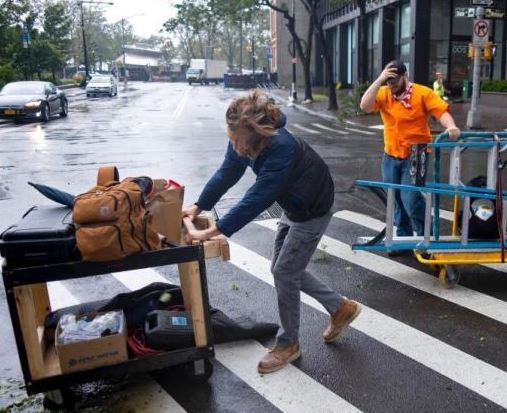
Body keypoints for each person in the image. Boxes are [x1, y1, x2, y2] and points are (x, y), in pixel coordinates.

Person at [183, 90, 362, 374]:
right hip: (294, 206)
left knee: (284, 271)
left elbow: (259, 196)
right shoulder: (242, 140)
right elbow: (227, 172)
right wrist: (199, 205)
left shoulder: (281, 147)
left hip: (313, 210)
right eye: (231, 138)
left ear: (254, 134)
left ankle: (288, 344)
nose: (234, 145)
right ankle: (340, 308)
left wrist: (218, 229)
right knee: (283, 269)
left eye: (236, 140)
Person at [360, 61, 460, 250]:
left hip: (416, 155)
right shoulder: (384, 93)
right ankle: (403, 239)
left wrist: (451, 126)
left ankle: (425, 237)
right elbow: (364, 106)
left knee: (411, 200)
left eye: (395, 81)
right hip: (390, 154)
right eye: (388, 82)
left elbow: (441, 112)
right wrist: (380, 79)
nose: (391, 85)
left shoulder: (422, 93)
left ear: (405, 76)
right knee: (395, 198)